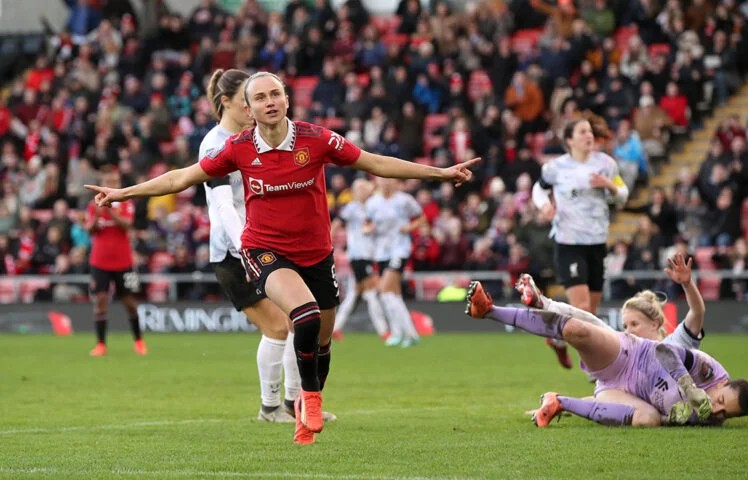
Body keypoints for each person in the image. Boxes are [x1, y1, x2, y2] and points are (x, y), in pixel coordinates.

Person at [85, 71, 479, 444]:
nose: (269, 101)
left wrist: (440, 173)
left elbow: (375, 163)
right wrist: (124, 193)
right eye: (259, 97)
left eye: (275, 94)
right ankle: (301, 403)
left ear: (287, 100)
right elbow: (179, 178)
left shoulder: (318, 139)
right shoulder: (236, 148)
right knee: (301, 317)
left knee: (322, 342)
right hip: (264, 250)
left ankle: (307, 402)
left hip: (316, 254)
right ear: (248, 109)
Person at [201, 68, 335, 424]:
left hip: (267, 245)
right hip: (237, 250)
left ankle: (295, 404)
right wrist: (243, 246)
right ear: (233, 102)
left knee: (297, 323)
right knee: (280, 327)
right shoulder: (217, 144)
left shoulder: (256, 138)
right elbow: (222, 204)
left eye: (268, 95)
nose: (262, 103)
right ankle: (272, 406)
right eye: (254, 96)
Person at [465, 281, 748, 427]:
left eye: (725, 415)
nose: (717, 412)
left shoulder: (710, 418)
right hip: (629, 357)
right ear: (723, 384)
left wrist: (677, 416)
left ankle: (557, 402)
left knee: (647, 421)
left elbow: (671, 416)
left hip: (619, 390)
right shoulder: (707, 372)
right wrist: (689, 388)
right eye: (721, 402)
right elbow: (668, 349)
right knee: (580, 329)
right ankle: (492, 311)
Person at [531, 118, 629, 368]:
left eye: (590, 132)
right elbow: (539, 189)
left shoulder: (606, 165)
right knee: (582, 306)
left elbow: (623, 195)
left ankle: (559, 341)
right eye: (582, 132)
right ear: (569, 140)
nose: (589, 136)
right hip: (568, 242)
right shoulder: (556, 168)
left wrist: (609, 186)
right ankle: (593, 365)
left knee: (590, 313)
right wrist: (545, 206)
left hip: (596, 242)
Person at [517, 252, 705, 350]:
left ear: (654, 324)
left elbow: (697, 312)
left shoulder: (675, 344)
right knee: (594, 324)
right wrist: (562, 403)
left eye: (634, 324)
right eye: (625, 325)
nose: (628, 331)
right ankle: (544, 303)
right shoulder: (629, 351)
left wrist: (688, 285)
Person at [85, 169, 146, 357]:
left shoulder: (126, 203)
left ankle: (138, 341)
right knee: (101, 300)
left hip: (124, 261)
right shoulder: (92, 205)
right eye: (108, 179)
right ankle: (101, 344)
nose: (112, 182)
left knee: (130, 301)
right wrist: (96, 216)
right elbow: (89, 230)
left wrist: (109, 211)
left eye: (115, 179)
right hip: (99, 261)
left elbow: (128, 225)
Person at [365, 178, 424, 347]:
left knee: (384, 290)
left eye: (389, 179)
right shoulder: (373, 203)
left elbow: (421, 218)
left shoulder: (404, 200)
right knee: (394, 295)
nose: (385, 182)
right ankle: (408, 334)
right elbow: (367, 224)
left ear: (395, 182)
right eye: (382, 179)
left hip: (400, 249)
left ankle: (402, 332)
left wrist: (410, 227)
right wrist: (369, 230)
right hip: (381, 252)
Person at [330, 178, 390, 341]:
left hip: (368, 255)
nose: (364, 192)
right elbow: (337, 224)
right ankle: (384, 331)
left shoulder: (371, 207)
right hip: (358, 255)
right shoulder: (351, 208)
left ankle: (336, 328)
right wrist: (328, 241)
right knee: (371, 293)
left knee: (353, 294)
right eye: (361, 189)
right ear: (356, 192)